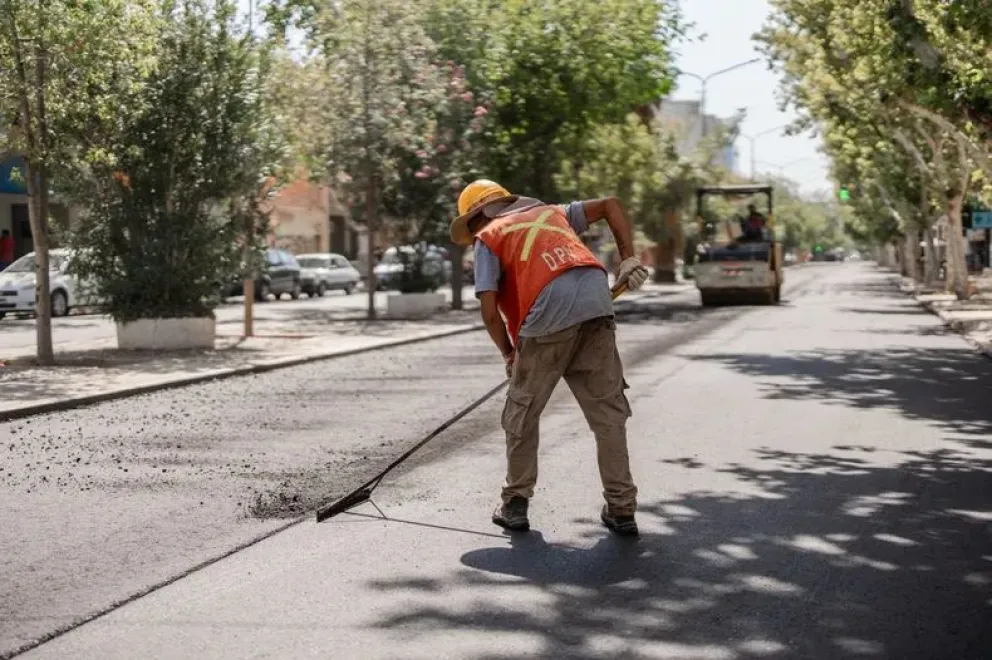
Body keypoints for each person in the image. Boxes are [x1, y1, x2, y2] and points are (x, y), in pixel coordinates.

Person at [449, 179, 649, 536]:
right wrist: (627, 258)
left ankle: (514, 504)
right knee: (608, 416)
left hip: (546, 320)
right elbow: (611, 204)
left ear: (477, 216)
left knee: (522, 414)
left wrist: (510, 354)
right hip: (596, 304)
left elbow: (490, 313)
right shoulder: (552, 212)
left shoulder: (488, 237)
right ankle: (622, 508)